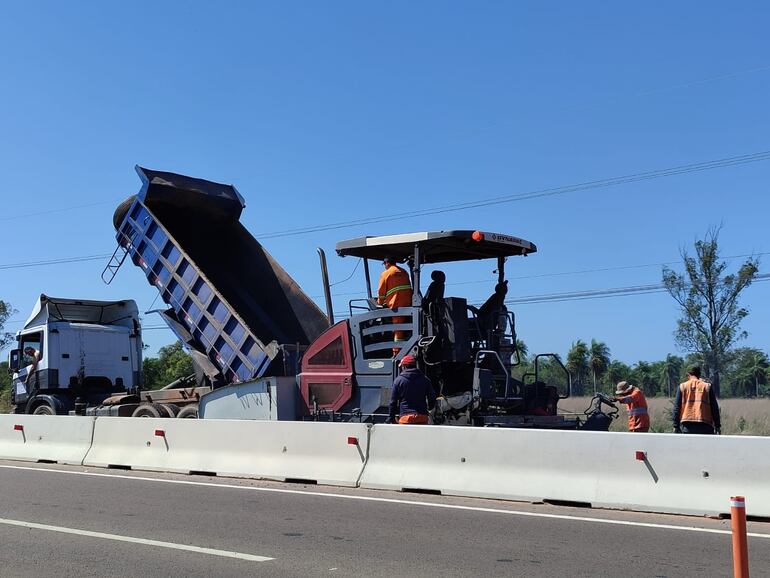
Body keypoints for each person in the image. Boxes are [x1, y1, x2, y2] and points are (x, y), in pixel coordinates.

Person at [377, 256, 414, 353]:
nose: (384, 266)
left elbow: (381, 291)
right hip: (409, 304)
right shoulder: (404, 272)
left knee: (398, 330)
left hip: (396, 305)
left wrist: (380, 303)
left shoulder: (386, 273)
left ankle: (397, 352)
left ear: (387, 263)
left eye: (384, 264)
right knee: (408, 327)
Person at [387, 355, 437, 424]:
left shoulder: (398, 381)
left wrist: (391, 418)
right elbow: (432, 397)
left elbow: (393, 402)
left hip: (406, 418)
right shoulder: (425, 380)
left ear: (404, 366)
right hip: (422, 417)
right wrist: (429, 408)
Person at [673, 366, 721, 435]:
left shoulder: (682, 386)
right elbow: (714, 408)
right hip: (705, 425)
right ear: (699, 374)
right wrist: (717, 426)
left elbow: (677, 408)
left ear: (688, 374)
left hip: (688, 426)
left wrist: (676, 426)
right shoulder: (707, 386)